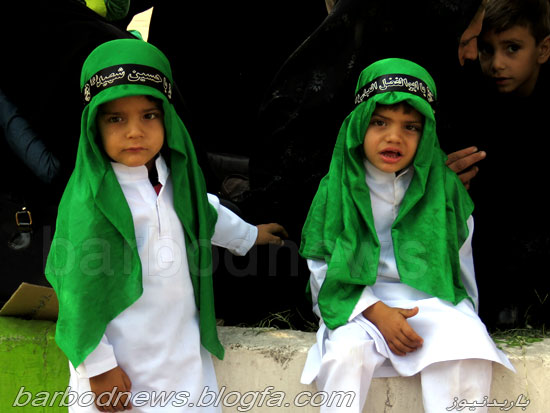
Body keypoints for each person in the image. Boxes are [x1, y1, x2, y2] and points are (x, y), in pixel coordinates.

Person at [45, 38, 286, 413]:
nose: (134, 131)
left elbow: (204, 212)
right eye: (116, 118)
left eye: (148, 115)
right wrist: (98, 366)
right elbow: (75, 291)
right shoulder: (87, 202)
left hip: (178, 353)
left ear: (168, 117)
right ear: (93, 124)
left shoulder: (175, 178)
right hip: (120, 364)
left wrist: (251, 235)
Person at [299, 58, 514, 413]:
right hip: (359, 305)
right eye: (380, 122)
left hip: (431, 302)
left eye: (410, 127)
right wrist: (374, 311)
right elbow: (322, 266)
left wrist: (466, 316)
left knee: (466, 344)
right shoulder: (336, 188)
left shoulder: (443, 188)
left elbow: (460, 263)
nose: (394, 137)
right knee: (347, 354)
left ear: (426, 133)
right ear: (358, 123)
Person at [448, 0, 550, 328]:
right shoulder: (472, 99)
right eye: (486, 50)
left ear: (543, 49)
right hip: (491, 244)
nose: (497, 64)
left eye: (512, 48)